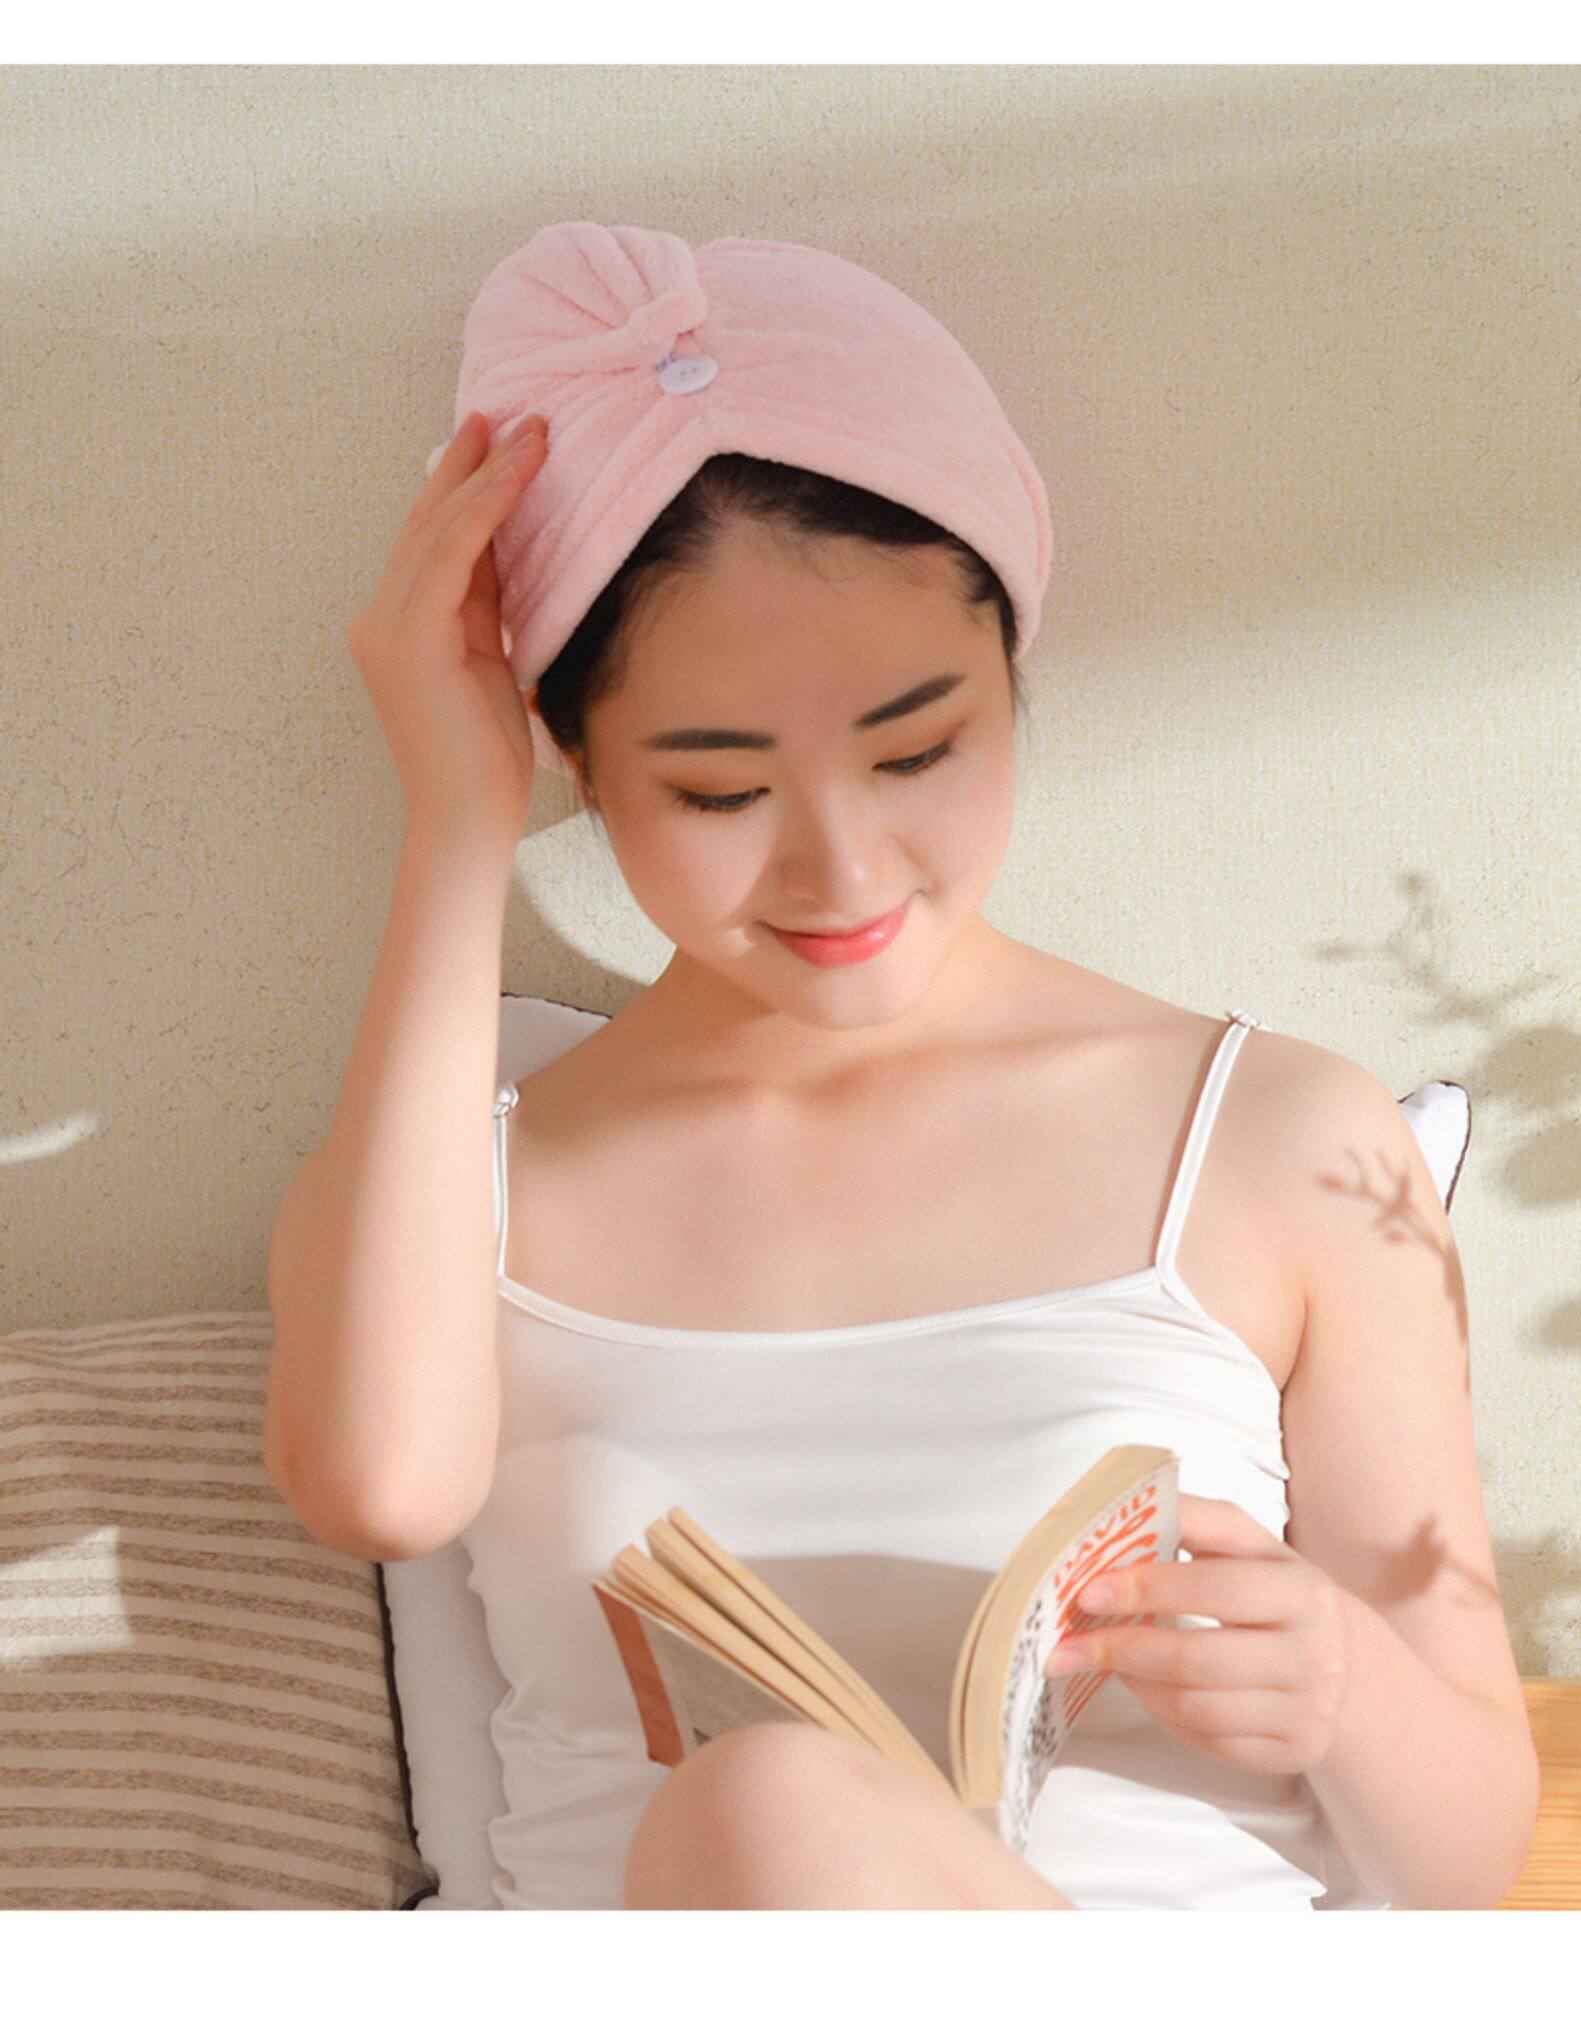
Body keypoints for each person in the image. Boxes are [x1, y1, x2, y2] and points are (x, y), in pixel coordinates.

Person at [263, 229, 1531, 1912]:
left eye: (921, 747)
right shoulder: (454, 1190)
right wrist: (449, 819)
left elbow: (1465, 1866)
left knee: (777, 1801)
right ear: (569, 750)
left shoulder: (1279, 1141)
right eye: (719, 791)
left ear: (1011, 677)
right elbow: (378, 1483)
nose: (843, 870)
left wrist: (1344, 1690)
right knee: (768, 1809)